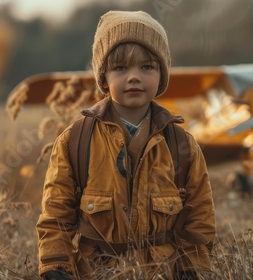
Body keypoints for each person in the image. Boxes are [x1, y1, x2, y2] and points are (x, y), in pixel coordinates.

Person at [35, 10, 216, 279]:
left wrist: (193, 268)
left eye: (147, 67)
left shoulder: (182, 145)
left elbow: (199, 215)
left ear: (161, 74)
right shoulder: (75, 141)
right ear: (103, 77)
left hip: (162, 274)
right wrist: (56, 265)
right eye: (120, 68)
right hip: (97, 273)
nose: (134, 77)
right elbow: (56, 214)